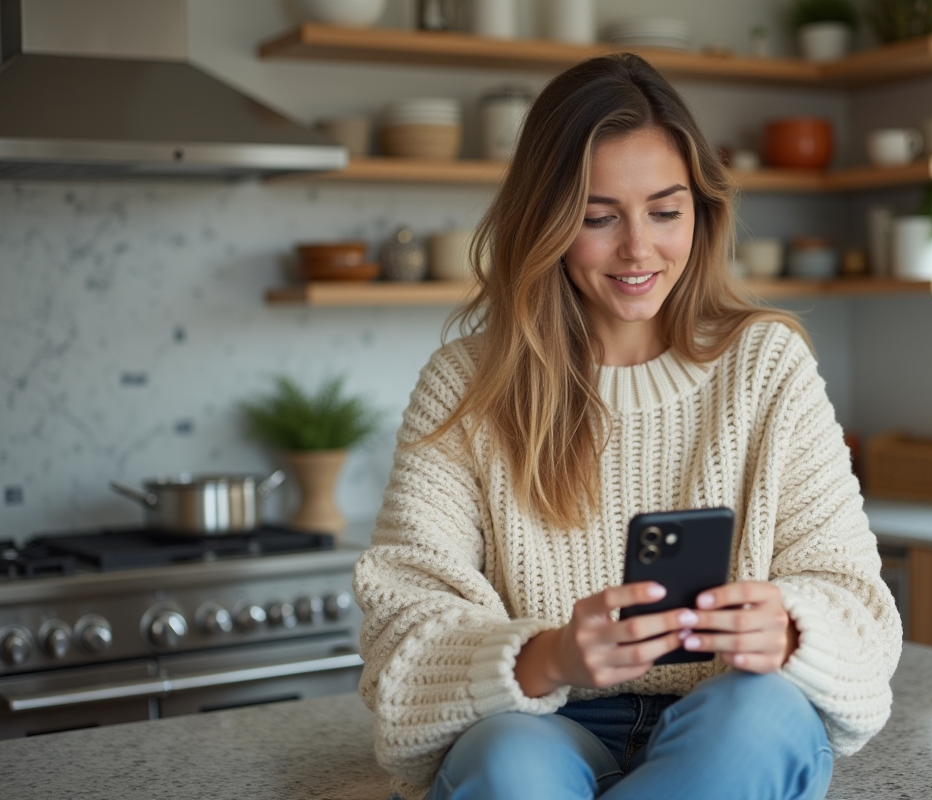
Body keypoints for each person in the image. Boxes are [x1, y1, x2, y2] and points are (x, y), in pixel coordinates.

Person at [354, 53, 902, 800]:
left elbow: (859, 607)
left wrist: (792, 629)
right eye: (598, 216)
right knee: (507, 767)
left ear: (701, 213)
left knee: (763, 714)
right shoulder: (466, 384)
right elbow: (401, 638)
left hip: (728, 716)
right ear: (544, 222)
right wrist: (547, 657)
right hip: (543, 723)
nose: (639, 249)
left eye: (665, 211)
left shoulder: (766, 366)